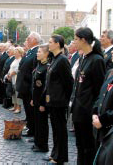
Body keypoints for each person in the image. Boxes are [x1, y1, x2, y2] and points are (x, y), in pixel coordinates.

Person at [71, 27, 106, 165]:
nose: (74, 42)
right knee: (80, 145)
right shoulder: (83, 58)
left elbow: (99, 89)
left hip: (87, 111)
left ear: (83, 40)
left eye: (75, 39)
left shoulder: (96, 60)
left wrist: (94, 111)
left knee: (88, 146)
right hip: (78, 109)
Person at [42, 35, 74, 164]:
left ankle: (60, 157)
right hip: (53, 101)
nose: (48, 44)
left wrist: (64, 99)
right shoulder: (54, 59)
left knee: (60, 130)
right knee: (55, 129)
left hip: (59, 102)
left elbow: (69, 82)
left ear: (57, 44)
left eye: (50, 42)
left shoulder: (62, 60)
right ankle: (55, 153)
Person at [16, 32, 40, 137]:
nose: (27, 40)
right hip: (24, 86)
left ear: (35, 40)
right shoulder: (30, 52)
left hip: (29, 86)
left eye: (28, 38)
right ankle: (31, 128)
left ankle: (33, 131)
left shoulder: (36, 52)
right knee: (28, 111)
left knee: (31, 111)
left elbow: (34, 71)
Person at [30, 44, 50, 153]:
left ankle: (43, 145)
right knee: (37, 122)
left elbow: (45, 87)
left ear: (46, 54)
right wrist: (33, 98)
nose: (37, 54)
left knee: (42, 123)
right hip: (36, 98)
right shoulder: (39, 65)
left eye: (39, 52)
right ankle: (37, 142)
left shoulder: (47, 67)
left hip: (42, 100)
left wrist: (43, 103)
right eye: (37, 51)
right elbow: (35, 84)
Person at [7, 47, 24, 113]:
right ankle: (14, 106)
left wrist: (10, 75)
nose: (15, 53)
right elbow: (11, 68)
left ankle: (18, 108)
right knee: (13, 93)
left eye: (16, 52)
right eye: (15, 52)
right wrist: (8, 74)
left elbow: (17, 70)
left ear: (20, 53)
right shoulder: (15, 59)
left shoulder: (20, 60)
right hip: (12, 78)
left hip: (16, 78)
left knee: (17, 93)